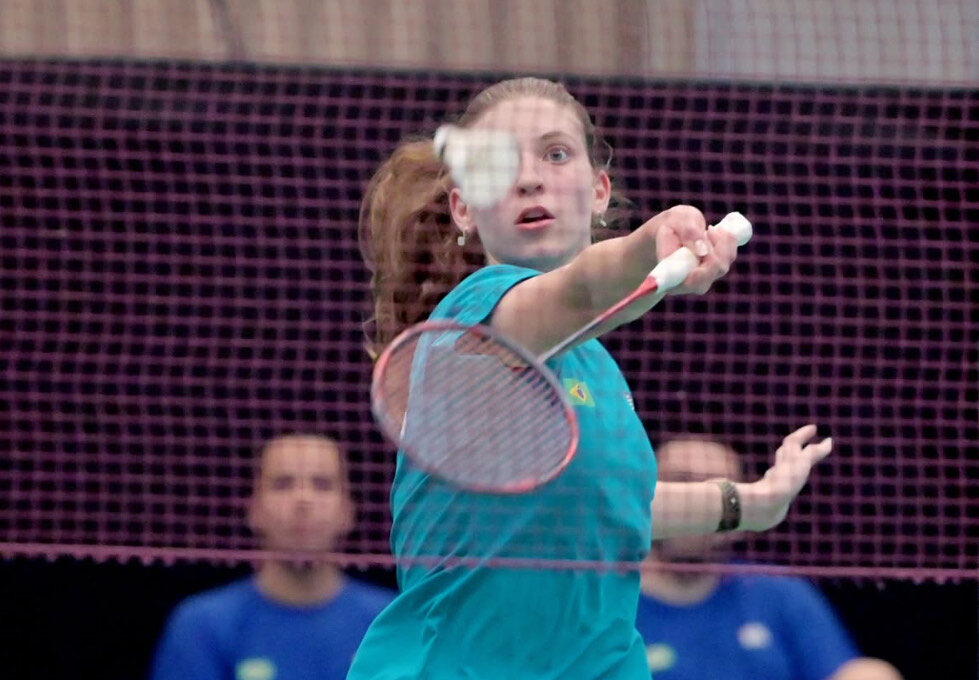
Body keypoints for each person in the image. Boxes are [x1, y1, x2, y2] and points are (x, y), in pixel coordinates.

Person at [349, 77, 833, 679]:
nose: (530, 178)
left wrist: (750, 503)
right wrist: (648, 246)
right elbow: (582, 290)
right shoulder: (472, 320)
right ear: (464, 207)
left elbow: (609, 501)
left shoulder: (595, 367)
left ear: (599, 191)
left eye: (555, 154)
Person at [636, 438, 903, 680]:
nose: (700, 504)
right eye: (681, 482)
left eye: (720, 489)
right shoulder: (614, 594)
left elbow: (846, 671)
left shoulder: (775, 589)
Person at [149, 434, 394, 680]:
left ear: (347, 511)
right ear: (254, 510)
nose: (303, 500)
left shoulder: (390, 621)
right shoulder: (201, 626)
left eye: (322, 484)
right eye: (283, 484)